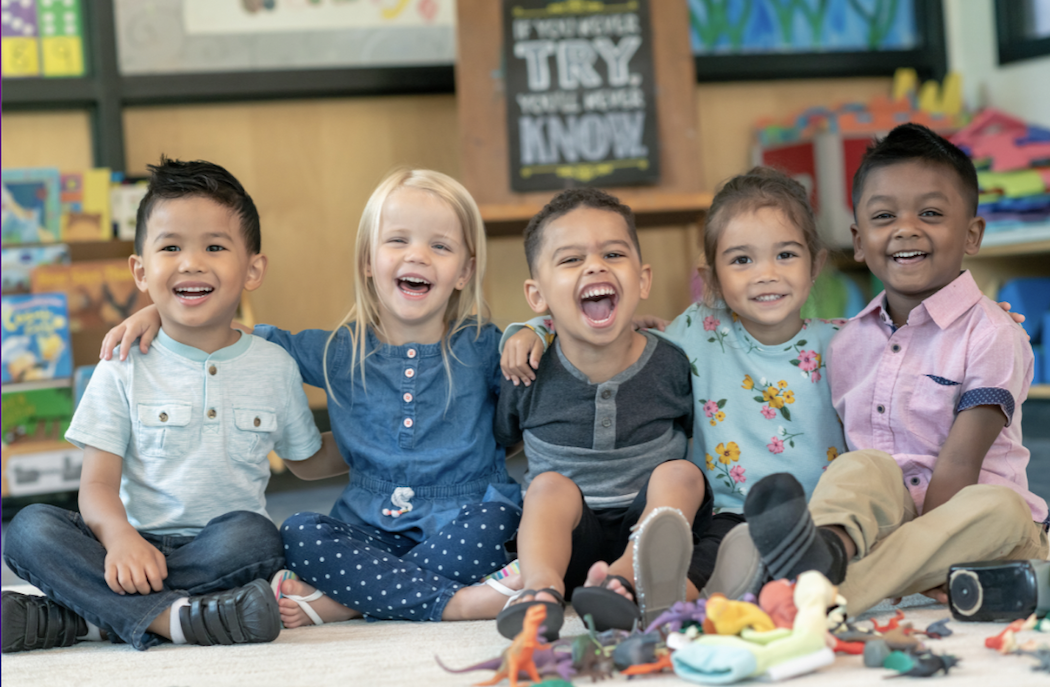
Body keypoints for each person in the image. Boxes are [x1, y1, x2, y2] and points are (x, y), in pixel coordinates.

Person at [96, 168, 523, 626]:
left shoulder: (483, 346)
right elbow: (222, 324)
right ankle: (455, 602)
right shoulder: (342, 349)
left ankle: (351, 601)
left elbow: (524, 412)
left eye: (439, 246)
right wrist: (154, 315)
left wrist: (531, 330)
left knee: (502, 519)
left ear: (465, 271)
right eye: (397, 241)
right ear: (367, 260)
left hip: (462, 517)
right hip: (371, 527)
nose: (417, 256)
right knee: (298, 534)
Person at [2, 158, 323, 653]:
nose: (191, 262)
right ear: (141, 270)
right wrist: (120, 539)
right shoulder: (122, 363)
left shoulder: (273, 365)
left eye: (215, 247)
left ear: (253, 269)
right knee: (28, 529)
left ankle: (85, 620)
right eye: (171, 247)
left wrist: (374, 429)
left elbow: (306, 462)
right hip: (125, 542)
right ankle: (177, 619)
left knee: (259, 537)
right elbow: (97, 486)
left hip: (218, 550)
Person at [742, 123, 1049, 616]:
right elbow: (761, 337)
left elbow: (959, 465)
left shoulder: (991, 333)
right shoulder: (846, 342)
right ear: (859, 241)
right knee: (861, 466)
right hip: (900, 530)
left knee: (999, 507)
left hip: (984, 532)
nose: (907, 228)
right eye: (885, 216)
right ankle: (824, 553)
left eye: (930, 213)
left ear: (972, 234)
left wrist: (921, 549)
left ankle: (829, 597)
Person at [502, 168, 849, 599]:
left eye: (786, 255)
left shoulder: (846, 344)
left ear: (815, 265)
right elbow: (602, 339)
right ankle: (597, 595)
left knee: (694, 494)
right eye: (742, 259)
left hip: (824, 516)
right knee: (700, 562)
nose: (766, 274)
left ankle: (643, 588)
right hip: (725, 514)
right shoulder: (698, 331)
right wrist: (533, 329)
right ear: (712, 279)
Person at [493, 188, 711, 639]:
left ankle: (624, 582)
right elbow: (502, 438)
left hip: (652, 541)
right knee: (548, 486)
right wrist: (527, 332)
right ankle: (540, 592)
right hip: (563, 546)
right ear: (537, 296)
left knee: (682, 474)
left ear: (643, 280)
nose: (595, 265)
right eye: (571, 259)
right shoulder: (526, 370)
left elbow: (698, 428)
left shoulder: (673, 362)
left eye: (613, 253)